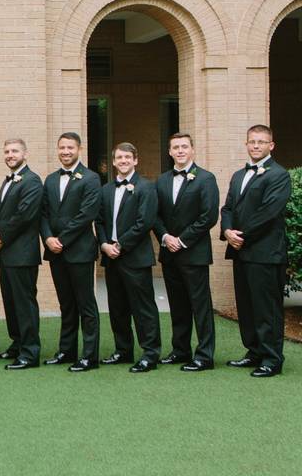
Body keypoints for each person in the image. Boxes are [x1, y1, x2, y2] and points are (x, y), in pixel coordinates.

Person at [221, 124, 292, 378]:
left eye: (261, 142)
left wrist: (242, 235)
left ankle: (272, 359)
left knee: (267, 308)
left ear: (271, 145)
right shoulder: (239, 175)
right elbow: (227, 208)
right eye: (252, 141)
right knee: (248, 305)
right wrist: (228, 231)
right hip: (241, 252)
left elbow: (269, 212)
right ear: (246, 144)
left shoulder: (279, 175)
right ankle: (254, 352)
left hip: (265, 253)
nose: (256, 146)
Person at [153, 133, 219, 372]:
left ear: (192, 150)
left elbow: (208, 216)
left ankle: (205, 355)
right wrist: (165, 237)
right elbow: (155, 215)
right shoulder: (161, 181)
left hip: (194, 253)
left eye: (184, 146)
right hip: (169, 252)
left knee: (200, 306)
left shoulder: (206, 179)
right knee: (178, 305)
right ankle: (180, 350)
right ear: (169, 152)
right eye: (175, 147)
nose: (180, 151)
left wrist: (182, 240)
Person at [95, 142, 161, 373]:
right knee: (117, 307)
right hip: (111, 257)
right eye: (119, 158)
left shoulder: (146, 187)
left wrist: (120, 244)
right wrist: (104, 244)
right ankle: (123, 350)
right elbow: (100, 220)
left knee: (143, 308)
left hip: (135, 257)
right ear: (113, 162)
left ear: (135, 160)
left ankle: (150, 353)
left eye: (127, 157)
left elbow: (145, 222)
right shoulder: (105, 190)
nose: (123, 161)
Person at [40, 132, 102, 372]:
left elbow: (86, 214)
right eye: (62, 147)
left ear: (79, 149)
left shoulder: (91, 178)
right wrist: (47, 238)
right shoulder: (51, 179)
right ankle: (66, 351)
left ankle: (89, 356)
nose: (65, 151)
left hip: (79, 251)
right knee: (66, 304)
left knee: (86, 304)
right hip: (55, 251)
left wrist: (62, 240)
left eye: (70, 147)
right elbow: (43, 213)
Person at [0, 138, 44, 370]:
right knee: (10, 302)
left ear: (25, 154)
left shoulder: (32, 181)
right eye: (7, 151)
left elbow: (24, 216)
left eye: (15, 151)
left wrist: (1, 238)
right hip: (6, 254)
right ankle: (18, 343)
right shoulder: (8, 180)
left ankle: (30, 352)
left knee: (24, 303)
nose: (10, 155)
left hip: (22, 254)